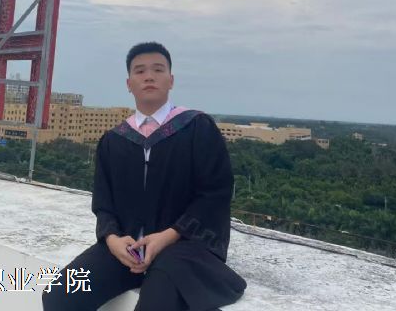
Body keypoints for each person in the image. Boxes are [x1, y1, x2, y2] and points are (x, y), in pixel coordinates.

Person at [42, 42, 246, 310]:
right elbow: (104, 203)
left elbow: (214, 193)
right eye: (140, 71)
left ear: (171, 80)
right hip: (129, 248)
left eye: (158, 70)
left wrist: (167, 236)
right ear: (129, 84)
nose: (149, 76)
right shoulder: (114, 140)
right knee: (59, 294)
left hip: (183, 247)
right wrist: (112, 239)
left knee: (156, 302)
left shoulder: (197, 128)